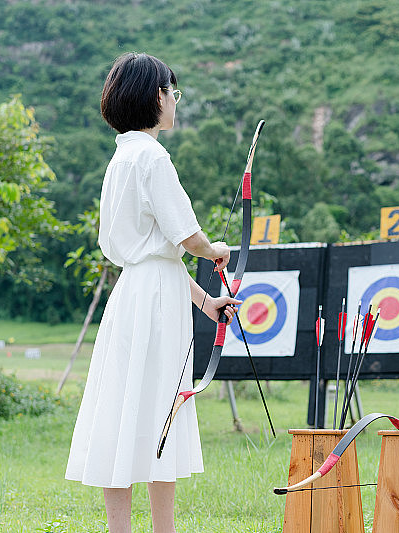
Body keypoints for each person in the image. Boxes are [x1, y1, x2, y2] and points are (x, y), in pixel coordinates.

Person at [65, 52, 240, 533]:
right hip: (154, 305)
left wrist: (207, 302)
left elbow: (154, 255)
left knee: (125, 412)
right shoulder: (152, 156)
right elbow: (187, 238)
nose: (174, 101)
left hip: (134, 295)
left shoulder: (121, 157)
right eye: (172, 92)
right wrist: (215, 249)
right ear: (155, 96)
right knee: (161, 410)